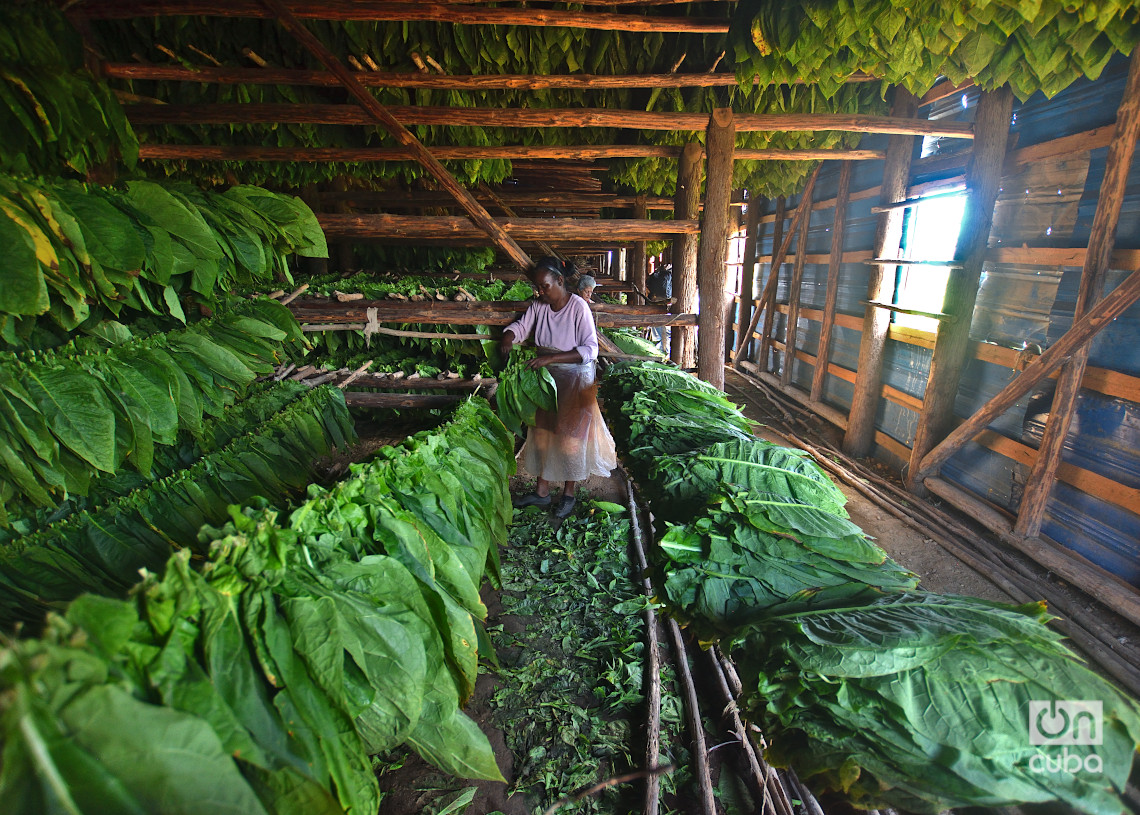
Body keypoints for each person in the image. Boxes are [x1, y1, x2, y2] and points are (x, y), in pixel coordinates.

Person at [499, 257, 617, 519]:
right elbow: (521, 327)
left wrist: (551, 358)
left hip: (575, 379)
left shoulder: (578, 308)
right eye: (538, 287)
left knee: (570, 437)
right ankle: (541, 492)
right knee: (542, 432)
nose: (540, 292)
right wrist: (508, 336)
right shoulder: (539, 306)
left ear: (560, 282)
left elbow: (590, 350)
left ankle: (568, 493)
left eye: (544, 286)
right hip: (546, 380)